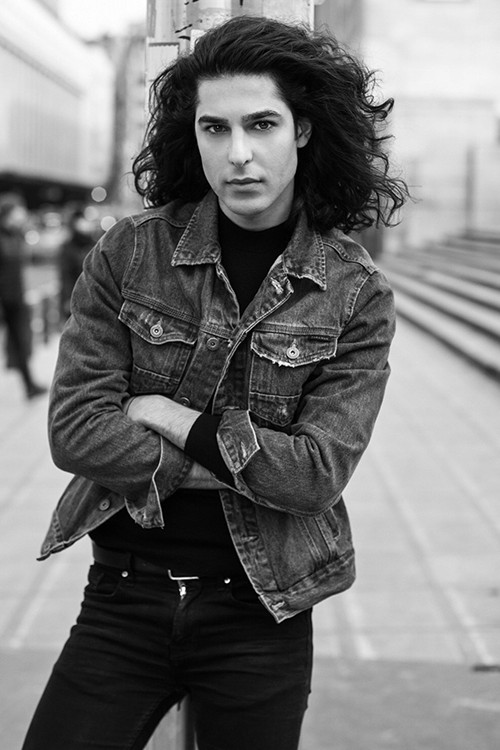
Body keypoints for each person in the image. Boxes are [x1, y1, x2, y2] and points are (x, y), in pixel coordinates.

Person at [22, 15, 408, 750]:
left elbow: (313, 477)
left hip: (261, 612)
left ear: (301, 130)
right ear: (192, 136)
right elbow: (74, 431)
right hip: (124, 597)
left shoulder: (356, 292)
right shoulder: (131, 252)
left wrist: (165, 414)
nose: (238, 155)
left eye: (261, 124)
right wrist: (243, 462)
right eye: (214, 128)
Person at [0, 193, 47, 399]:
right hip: (3, 300)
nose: (22, 215)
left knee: (21, 343)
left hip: (15, 299)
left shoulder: (16, 235)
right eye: (18, 212)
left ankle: (29, 385)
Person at [59, 207, 97, 320]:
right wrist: (67, 299)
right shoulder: (68, 247)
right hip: (75, 298)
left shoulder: (95, 244)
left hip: (94, 300)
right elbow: (65, 276)